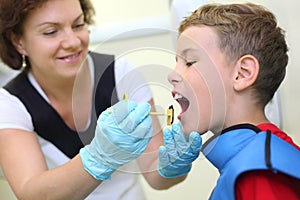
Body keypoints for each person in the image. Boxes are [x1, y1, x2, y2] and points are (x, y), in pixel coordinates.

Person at [0, 0, 196, 199]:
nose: (73, 42)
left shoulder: (120, 74)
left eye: (78, 25)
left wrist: (173, 163)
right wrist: (98, 157)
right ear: (18, 41)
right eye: (51, 32)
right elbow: (31, 194)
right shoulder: (10, 104)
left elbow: (156, 176)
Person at [159, 3, 300, 199]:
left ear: (242, 73)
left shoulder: (261, 173)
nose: (172, 75)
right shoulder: (243, 163)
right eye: (177, 63)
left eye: (190, 62)